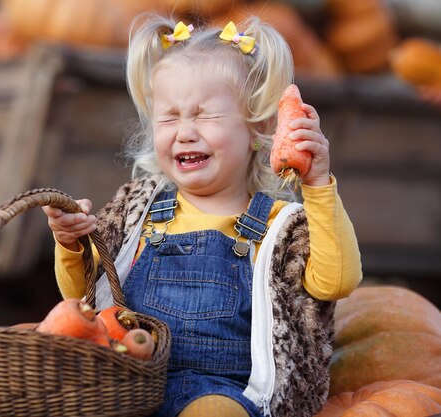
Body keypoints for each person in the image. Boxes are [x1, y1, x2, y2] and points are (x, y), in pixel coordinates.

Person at [42, 14, 362, 417]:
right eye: (170, 117)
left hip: (223, 390)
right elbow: (80, 301)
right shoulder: (137, 210)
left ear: (256, 126)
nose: (185, 131)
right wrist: (70, 244)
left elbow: (338, 280)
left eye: (204, 115)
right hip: (127, 381)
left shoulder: (279, 226)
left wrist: (316, 184)